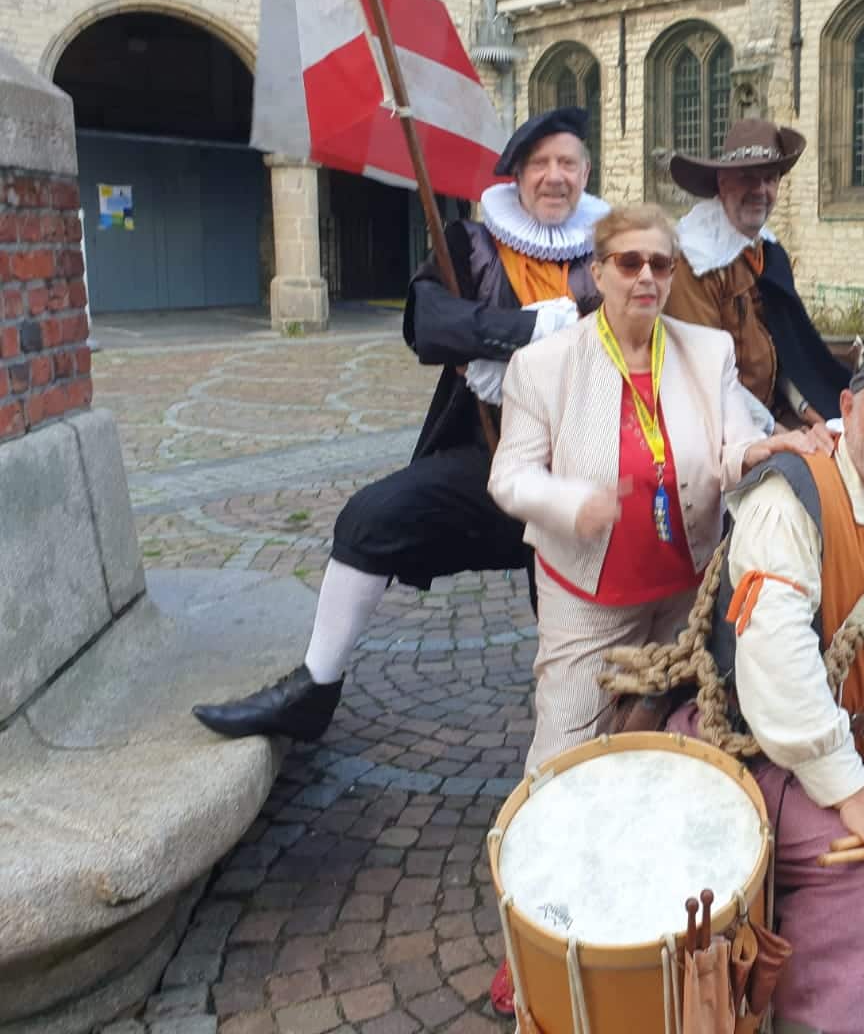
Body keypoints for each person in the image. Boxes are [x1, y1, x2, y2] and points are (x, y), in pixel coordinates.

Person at [192, 107, 608, 741]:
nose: (555, 177)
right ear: (518, 176)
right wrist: (528, 330)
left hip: (584, 461)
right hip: (487, 457)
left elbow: (628, 335)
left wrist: (532, 351)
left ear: (586, 172)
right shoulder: (470, 244)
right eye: (540, 164)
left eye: (568, 163)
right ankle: (315, 688)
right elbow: (430, 324)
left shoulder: (612, 252)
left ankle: (599, 730)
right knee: (369, 519)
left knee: (573, 624)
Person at [646, 340, 864, 1034]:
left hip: (831, 756)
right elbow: (776, 657)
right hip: (738, 741)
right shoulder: (787, 494)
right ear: (849, 409)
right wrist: (852, 796)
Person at [487, 203, 827, 771]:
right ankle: (553, 848)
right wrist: (573, 504)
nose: (646, 276)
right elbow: (509, 477)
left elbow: (732, 444)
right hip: (587, 591)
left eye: (660, 264)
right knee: (566, 741)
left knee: (677, 734)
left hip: (686, 589)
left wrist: (761, 449)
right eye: (629, 262)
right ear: (597, 273)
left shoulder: (706, 348)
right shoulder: (543, 365)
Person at [665, 119, 852, 426]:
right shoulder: (694, 262)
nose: (760, 190)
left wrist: (806, 408)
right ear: (722, 184)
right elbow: (705, 377)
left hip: (771, 411)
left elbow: (788, 348)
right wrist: (775, 432)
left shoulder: (768, 252)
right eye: (747, 178)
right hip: (715, 424)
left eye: (770, 179)